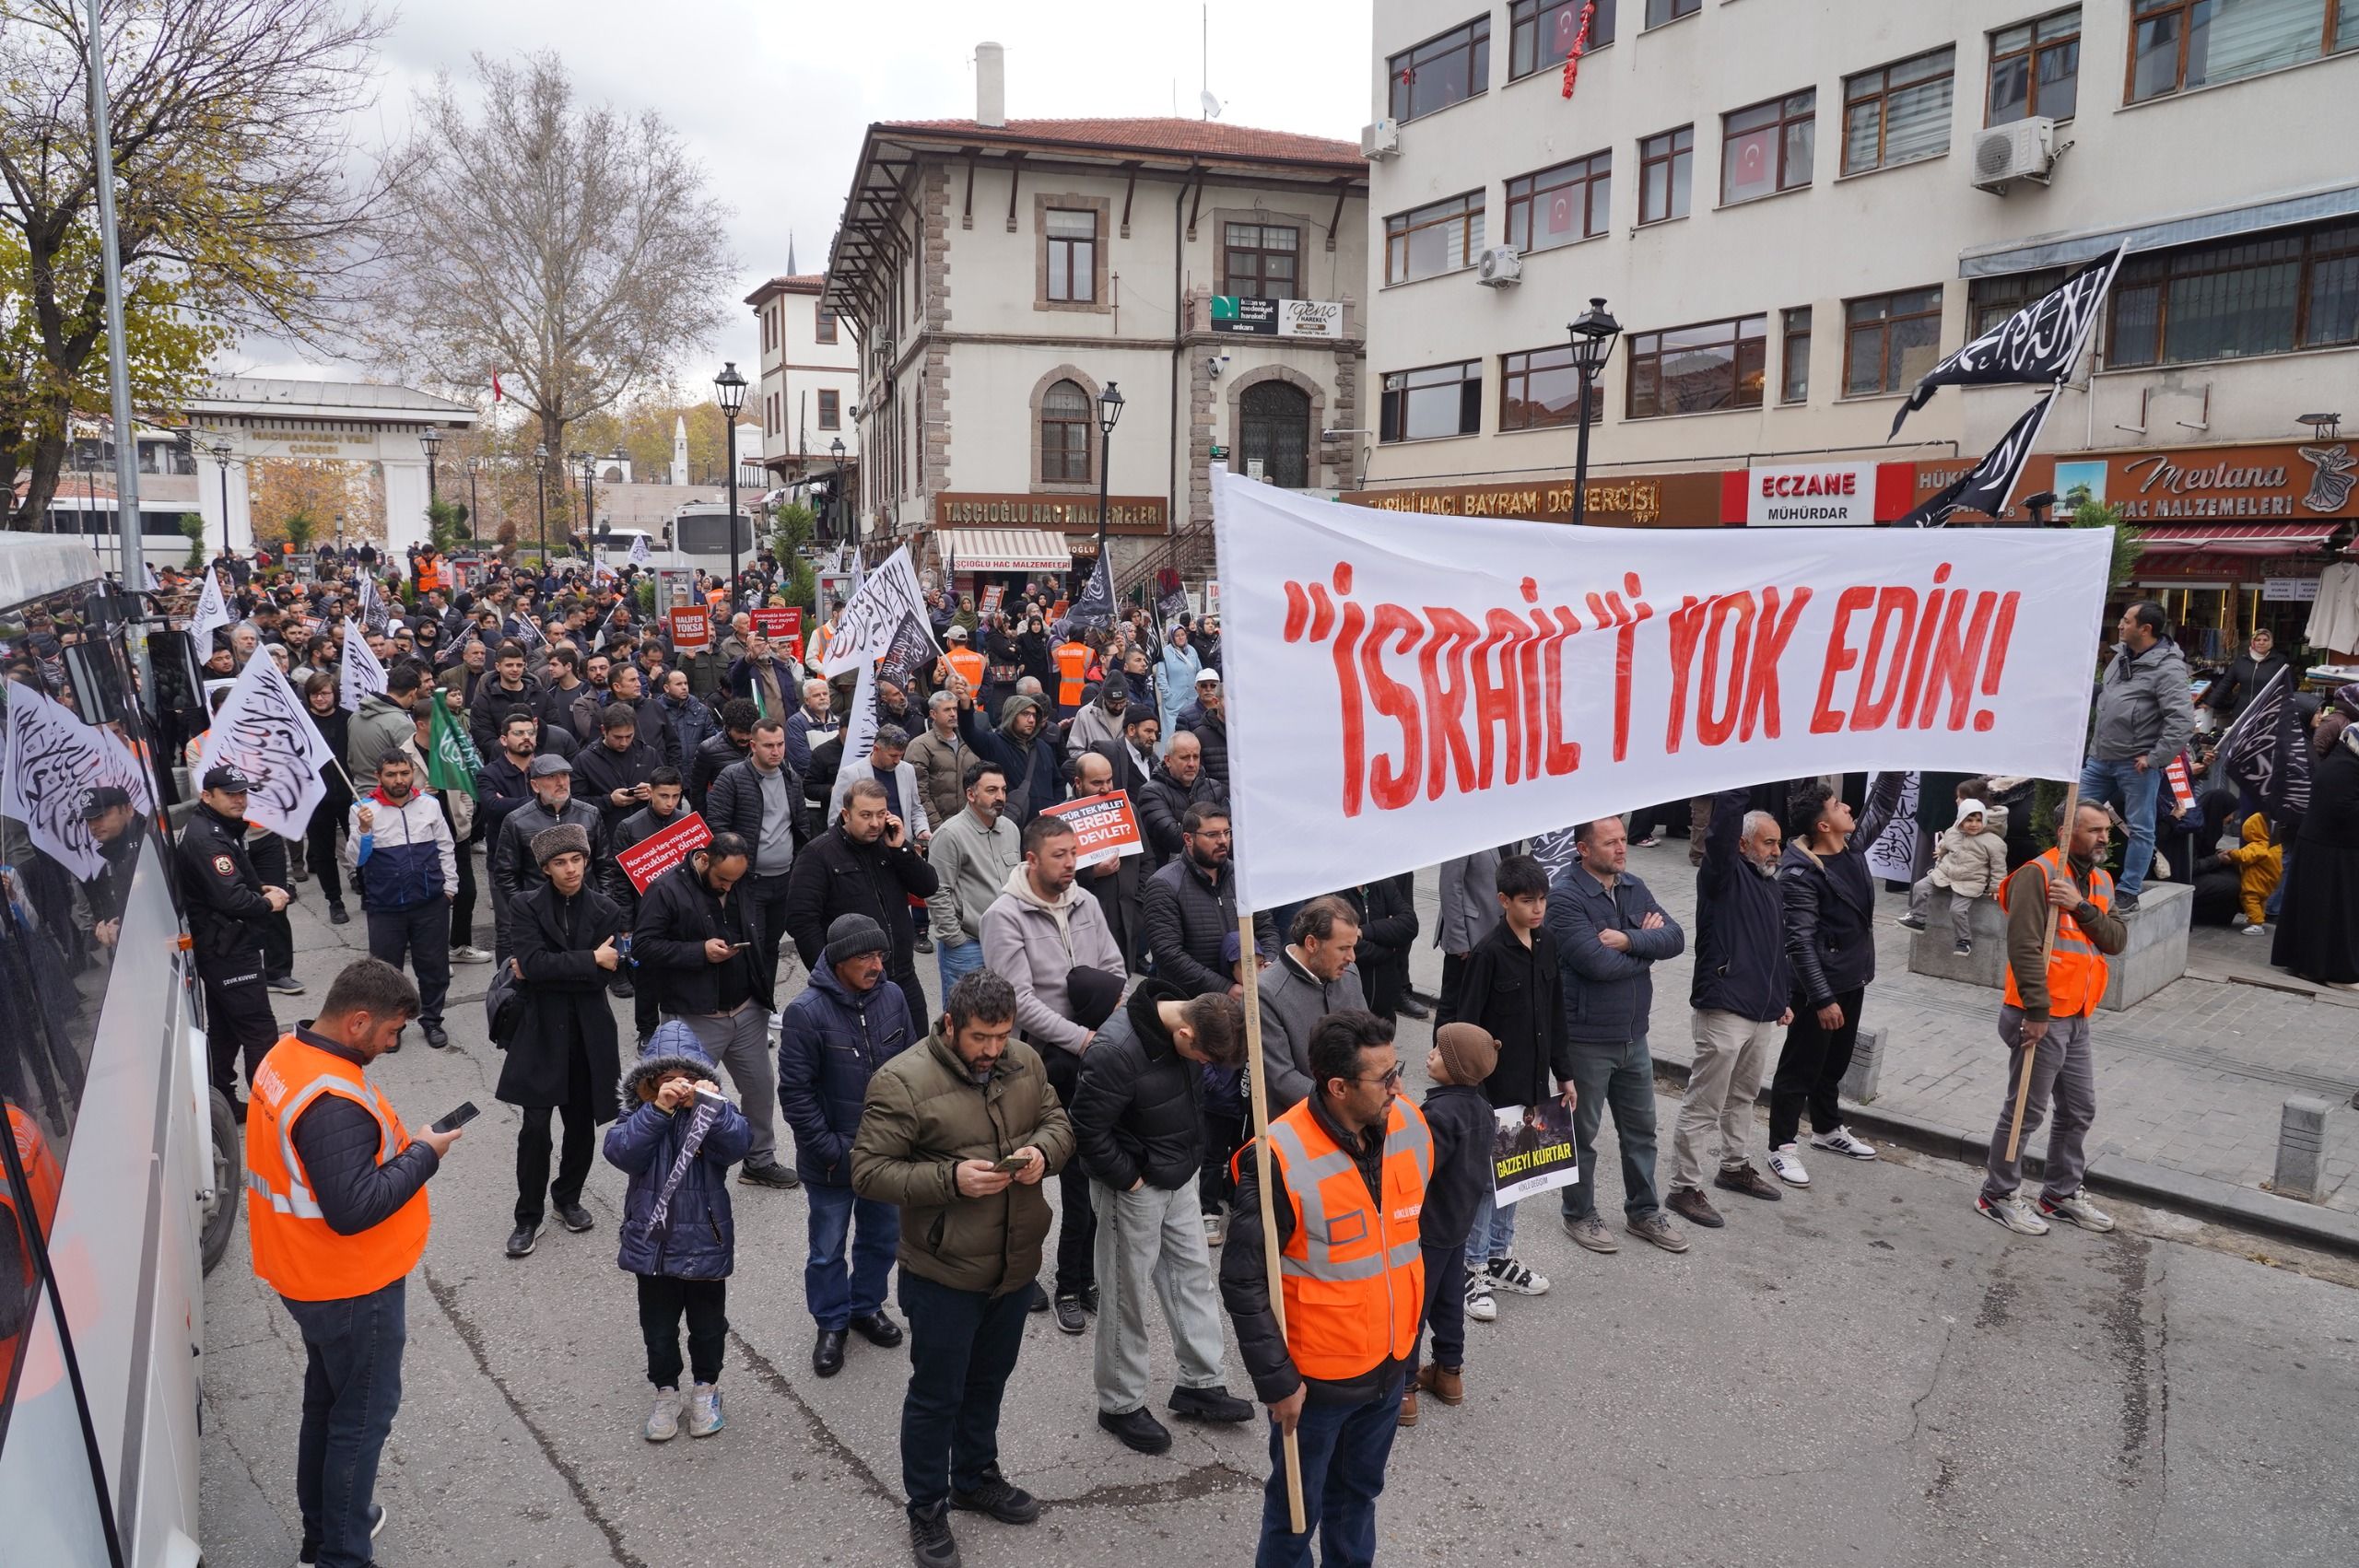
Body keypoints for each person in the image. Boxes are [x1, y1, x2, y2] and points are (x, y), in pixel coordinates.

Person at [851, 971, 1074, 1568]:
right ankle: (927, 1508)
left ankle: (974, 1478)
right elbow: (868, 1172)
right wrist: (950, 1179)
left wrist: (1042, 1154)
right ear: (950, 1025)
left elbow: (1059, 1124)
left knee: (987, 1383)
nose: (992, 1049)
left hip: (1015, 1265)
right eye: (980, 1037)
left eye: (1002, 1036)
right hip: (943, 1274)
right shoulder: (901, 1081)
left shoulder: (1026, 1062)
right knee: (936, 1396)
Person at [244, 958, 460, 1568]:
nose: (391, 1045)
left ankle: (323, 1536)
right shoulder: (331, 1100)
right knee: (360, 1422)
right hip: (349, 1284)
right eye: (390, 1032)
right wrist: (425, 1153)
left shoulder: (286, 1055)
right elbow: (354, 1208)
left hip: (305, 1271)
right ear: (358, 1021)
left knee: (329, 1406)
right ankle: (342, 1555)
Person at [1221, 1009, 1429, 1568]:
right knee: (1295, 1515)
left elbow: (1414, 1234)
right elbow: (1242, 1278)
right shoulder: (1278, 1158)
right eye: (1384, 1078)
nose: (1398, 1088)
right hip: (1314, 1387)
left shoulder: (1409, 1123)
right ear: (1338, 1087)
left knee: (1358, 1498)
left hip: (1389, 1365)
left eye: (1397, 1071)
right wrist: (1277, 1382)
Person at [1070, 977, 1254, 1454]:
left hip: (1180, 1176)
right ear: (1186, 1034)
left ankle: (1201, 1382)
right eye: (1205, 1059)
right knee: (1124, 1296)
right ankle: (1120, 1404)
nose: (1205, 1067)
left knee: (1193, 1278)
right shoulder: (1114, 1050)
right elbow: (1086, 1131)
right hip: (1134, 1188)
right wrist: (1130, 1180)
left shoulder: (1191, 1028)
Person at [1979, 801, 2130, 1235]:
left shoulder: (2098, 880)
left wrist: (2080, 906)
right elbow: (2024, 947)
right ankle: (1997, 1194)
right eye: (2094, 830)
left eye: (2106, 830)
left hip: (2077, 1012)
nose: (2104, 838)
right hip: (2041, 1015)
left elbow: (2116, 939)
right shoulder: (2037, 874)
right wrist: (2036, 1011)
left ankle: (2060, 1194)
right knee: (2025, 1111)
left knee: (2079, 1109)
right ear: (2066, 833)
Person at [778, 914, 916, 1377]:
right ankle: (831, 1323)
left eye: (880, 955)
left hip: (886, 1157)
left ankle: (865, 1307)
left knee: (881, 1239)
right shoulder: (806, 1013)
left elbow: (914, 1069)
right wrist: (833, 1151)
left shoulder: (893, 997)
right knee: (827, 1248)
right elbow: (795, 1094)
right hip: (832, 1162)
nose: (876, 966)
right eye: (865, 958)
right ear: (839, 962)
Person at [604, 1023, 752, 1442]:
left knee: (708, 1326)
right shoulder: (640, 1114)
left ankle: (706, 1388)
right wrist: (658, 1111)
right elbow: (621, 1152)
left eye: (686, 1078)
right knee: (658, 1327)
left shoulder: (716, 1111)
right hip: (654, 1244)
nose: (678, 1086)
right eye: (667, 1079)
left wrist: (712, 1107)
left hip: (706, 1241)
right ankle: (665, 1391)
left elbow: (739, 1146)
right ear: (650, 1083)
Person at [1548, 815, 1688, 1255]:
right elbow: (1596, 964)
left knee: (1641, 1132)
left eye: (1624, 840)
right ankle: (1578, 1213)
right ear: (1583, 849)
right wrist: (1646, 943)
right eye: (1610, 843)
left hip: (1634, 1035)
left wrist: (1628, 941)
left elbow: (1676, 938)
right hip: (1587, 1039)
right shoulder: (1564, 897)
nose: (1622, 848)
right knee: (1581, 1135)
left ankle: (1644, 1211)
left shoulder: (1633, 886)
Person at [633, 833, 800, 1189]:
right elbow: (644, 947)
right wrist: (699, 952)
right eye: (723, 879)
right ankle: (680, 1173)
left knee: (759, 1088)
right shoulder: (665, 890)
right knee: (685, 1097)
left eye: (735, 880)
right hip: (694, 1016)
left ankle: (759, 1161)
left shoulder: (741, 883)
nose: (728, 886)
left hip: (745, 1010)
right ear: (704, 860)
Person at [1766, 774, 1903, 1188]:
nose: (1848, 807)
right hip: (1817, 987)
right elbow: (1799, 942)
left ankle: (1827, 1129)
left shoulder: (1851, 846)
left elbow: (1883, 805)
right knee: (1800, 1067)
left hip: (1851, 976)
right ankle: (1781, 1146)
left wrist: (1897, 760)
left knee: (1835, 1062)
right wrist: (1822, 998)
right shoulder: (1799, 874)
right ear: (1823, 825)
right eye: (1838, 806)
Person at [499, 824, 626, 1258]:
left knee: (581, 1125)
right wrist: (590, 958)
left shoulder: (607, 908)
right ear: (545, 869)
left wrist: (549, 969)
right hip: (539, 1031)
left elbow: (604, 978)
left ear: (586, 861)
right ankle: (527, 1216)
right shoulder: (525, 905)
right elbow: (533, 963)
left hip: (589, 1032)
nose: (570, 869)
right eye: (560, 862)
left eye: (576, 860)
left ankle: (568, 1197)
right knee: (535, 1128)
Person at [1666, 794, 1790, 1233]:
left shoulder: (1768, 883)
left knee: (1743, 1097)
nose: (1776, 851)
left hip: (1760, 1010)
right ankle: (1684, 1187)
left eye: (1778, 843)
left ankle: (1734, 1166)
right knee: (1705, 1102)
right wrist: (1735, 781)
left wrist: (1781, 998)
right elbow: (1719, 831)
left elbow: (1774, 948)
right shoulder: (1722, 873)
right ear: (1741, 843)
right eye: (1768, 843)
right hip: (1724, 1008)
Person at [1454, 853, 1568, 1312]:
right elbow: (1467, 1027)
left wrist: (1565, 1073)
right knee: (1487, 1182)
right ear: (1504, 901)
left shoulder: (1548, 943)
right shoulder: (1488, 954)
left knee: (1518, 1175)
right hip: (1493, 1090)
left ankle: (1499, 1257)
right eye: (1527, 901)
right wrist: (1473, 1092)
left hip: (1533, 1086)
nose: (1537, 909)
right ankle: (1472, 1267)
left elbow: (1555, 1014)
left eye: (1542, 899)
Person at [1400, 1023, 1498, 1428]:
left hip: (1427, 1228)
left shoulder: (1439, 1114)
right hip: (1458, 1224)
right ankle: (1449, 1372)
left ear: (1457, 1068)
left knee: (1412, 1306)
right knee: (1449, 1299)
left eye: (1439, 1052)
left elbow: (1420, 1169)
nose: (1430, 1055)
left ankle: (1404, 1389)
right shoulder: (1483, 1110)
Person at [785, 778, 941, 1032]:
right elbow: (801, 922)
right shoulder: (818, 853)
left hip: (903, 976)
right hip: (854, 984)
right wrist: (830, 976)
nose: (875, 823)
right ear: (846, 814)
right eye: (866, 815)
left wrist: (901, 849)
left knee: (918, 1049)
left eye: (881, 814)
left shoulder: (890, 845)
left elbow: (928, 887)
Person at [176, 765, 290, 1110]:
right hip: (228, 948)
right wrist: (267, 902)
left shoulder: (215, 827)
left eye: (242, 793)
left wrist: (258, 888)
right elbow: (231, 898)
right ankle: (269, 1109)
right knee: (260, 1030)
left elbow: (227, 886)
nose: (239, 800)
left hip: (222, 944)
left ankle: (222, 1101)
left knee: (225, 1030)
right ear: (207, 795)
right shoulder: (208, 838)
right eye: (230, 794)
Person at [2082, 602, 2194, 912]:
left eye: (2127, 620)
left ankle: (2129, 890)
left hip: (2137, 765)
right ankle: (2077, 876)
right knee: (2072, 816)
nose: (2120, 625)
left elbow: (2182, 721)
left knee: (2141, 828)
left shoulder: (2168, 668)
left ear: (2145, 629)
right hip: (2100, 757)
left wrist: (2155, 758)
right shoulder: (2121, 656)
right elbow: (2112, 698)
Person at [346, 749, 458, 1051]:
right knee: (386, 973)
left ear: (412, 773)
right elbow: (355, 860)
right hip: (385, 906)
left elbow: (446, 846)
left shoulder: (430, 804)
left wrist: (450, 888)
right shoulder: (362, 809)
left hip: (430, 902)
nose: (399, 780)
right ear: (379, 777)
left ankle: (432, 1020)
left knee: (434, 967)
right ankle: (392, 1027)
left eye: (404, 773)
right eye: (391, 774)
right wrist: (364, 830)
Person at [706, 717, 803, 993]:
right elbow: (717, 826)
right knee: (752, 946)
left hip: (783, 880)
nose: (776, 751)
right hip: (749, 882)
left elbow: (800, 826)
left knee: (771, 946)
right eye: (769, 745)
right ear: (753, 746)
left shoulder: (791, 778)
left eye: (780, 744)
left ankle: (766, 1002)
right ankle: (747, 1004)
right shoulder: (732, 777)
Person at [489, 754, 604, 963]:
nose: (561, 782)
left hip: (585, 908)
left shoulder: (590, 814)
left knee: (587, 966)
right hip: (540, 912)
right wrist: (527, 907)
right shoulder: (517, 821)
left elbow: (605, 865)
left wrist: (602, 902)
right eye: (551, 777)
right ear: (535, 785)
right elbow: (505, 873)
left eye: (564, 775)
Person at [1257, 896, 1367, 1113]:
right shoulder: (1266, 992)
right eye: (1343, 948)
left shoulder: (1349, 974)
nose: (1352, 957)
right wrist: (1342, 1105)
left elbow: (1367, 1039)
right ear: (1312, 944)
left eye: (1353, 947)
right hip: (1302, 1119)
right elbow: (1281, 1078)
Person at [2273, 712, 2359, 987]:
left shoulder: (2345, 763)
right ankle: (2326, 970)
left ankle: (2318, 965)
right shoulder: (2343, 769)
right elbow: (2342, 810)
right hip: (2329, 851)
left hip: (2333, 848)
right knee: (2327, 914)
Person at [924, 760, 1020, 997]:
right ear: (971, 794)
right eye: (991, 790)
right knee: (964, 1015)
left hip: (1007, 944)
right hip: (968, 946)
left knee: (1003, 1011)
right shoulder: (950, 834)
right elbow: (936, 891)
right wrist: (955, 940)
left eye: (1003, 790)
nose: (1000, 797)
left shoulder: (1011, 829)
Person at [607, 766, 689, 1041]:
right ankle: (647, 1031)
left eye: (676, 796)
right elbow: (619, 880)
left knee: (680, 974)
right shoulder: (629, 827)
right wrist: (625, 924)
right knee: (646, 978)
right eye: (664, 796)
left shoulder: (686, 823)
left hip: (681, 912)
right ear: (650, 792)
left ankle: (679, 1029)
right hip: (645, 913)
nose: (670, 803)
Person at [1064, 748, 1144, 968]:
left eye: (1109, 780)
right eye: (1097, 783)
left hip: (1127, 919)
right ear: (1078, 783)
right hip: (1084, 923)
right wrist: (1093, 874)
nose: (1106, 788)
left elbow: (1147, 860)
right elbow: (1053, 877)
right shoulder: (1061, 821)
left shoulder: (1129, 809)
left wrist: (1138, 904)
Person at [1901, 796, 2010, 957]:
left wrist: (1996, 887)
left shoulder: (1993, 842)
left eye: (1978, 820)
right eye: (1969, 820)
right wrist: (1940, 855)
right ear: (1961, 820)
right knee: (1920, 887)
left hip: (1971, 880)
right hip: (1946, 873)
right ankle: (1918, 919)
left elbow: (1998, 866)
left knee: (1957, 910)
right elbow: (1945, 848)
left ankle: (1964, 941)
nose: (1974, 824)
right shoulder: (1953, 833)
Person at [956, 687, 1062, 828]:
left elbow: (1058, 782)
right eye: (1025, 714)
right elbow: (968, 731)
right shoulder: (993, 743)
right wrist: (965, 704)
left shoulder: (1044, 747)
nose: (1031, 720)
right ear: (1012, 715)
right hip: (1010, 826)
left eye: (1034, 715)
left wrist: (1054, 807)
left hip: (1044, 828)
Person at [299, 673, 355, 925]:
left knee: (361, 846)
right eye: (315, 694)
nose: (320, 698)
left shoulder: (349, 719)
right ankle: (335, 901)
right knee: (323, 854)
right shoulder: (302, 723)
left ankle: (366, 887)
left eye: (325, 693)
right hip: (316, 799)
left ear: (335, 694)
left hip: (348, 794)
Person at [574, 703, 665, 838]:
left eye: (629, 736)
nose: (624, 743)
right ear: (603, 730)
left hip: (648, 834)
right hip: (608, 835)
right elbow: (576, 804)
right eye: (617, 737)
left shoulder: (648, 753)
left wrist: (653, 793)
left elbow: (667, 788)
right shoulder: (585, 760)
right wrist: (609, 801)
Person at [1433, 847, 1503, 1024]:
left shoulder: (1505, 834)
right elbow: (1450, 887)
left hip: (1494, 933)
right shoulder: (1462, 835)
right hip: (1468, 938)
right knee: (1453, 1007)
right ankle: (1443, 1043)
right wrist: (1459, 941)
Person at [1337, 875, 1418, 1022]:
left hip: (1385, 1006)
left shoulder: (1384, 883)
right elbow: (1347, 946)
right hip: (1348, 1006)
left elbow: (1409, 924)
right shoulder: (1332, 892)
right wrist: (1391, 948)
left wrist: (1363, 931)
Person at [1137, 729, 1220, 870]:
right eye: (1185, 757)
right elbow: (1175, 839)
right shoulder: (1151, 792)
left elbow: (1229, 833)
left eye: (1196, 757)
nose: (1192, 764)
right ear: (1168, 760)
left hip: (1214, 870)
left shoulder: (1214, 787)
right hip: (1172, 873)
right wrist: (1214, 831)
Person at [908, 690, 974, 832]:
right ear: (933, 714)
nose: (953, 714)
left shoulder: (969, 742)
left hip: (970, 826)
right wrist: (938, 828)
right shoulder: (920, 746)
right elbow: (919, 793)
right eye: (947, 710)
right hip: (937, 828)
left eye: (955, 709)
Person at [346, 662, 421, 780]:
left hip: (360, 788)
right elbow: (412, 766)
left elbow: (351, 760)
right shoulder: (402, 724)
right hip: (391, 790)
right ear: (413, 693)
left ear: (387, 687)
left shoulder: (355, 716)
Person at [2204, 626, 2288, 730]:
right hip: (2242, 710)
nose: (2261, 643)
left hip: (2268, 710)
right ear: (2253, 642)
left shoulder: (2280, 661)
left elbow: (2289, 685)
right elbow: (2226, 684)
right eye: (2258, 640)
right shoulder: (2242, 660)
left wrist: (2280, 705)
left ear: (2271, 642)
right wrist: (2209, 702)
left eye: (2265, 640)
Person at [689, 696, 759, 814]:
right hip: (723, 813)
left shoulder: (761, 745)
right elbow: (697, 791)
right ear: (728, 727)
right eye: (739, 732)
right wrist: (703, 820)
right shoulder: (708, 750)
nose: (745, 737)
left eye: (749, 732)